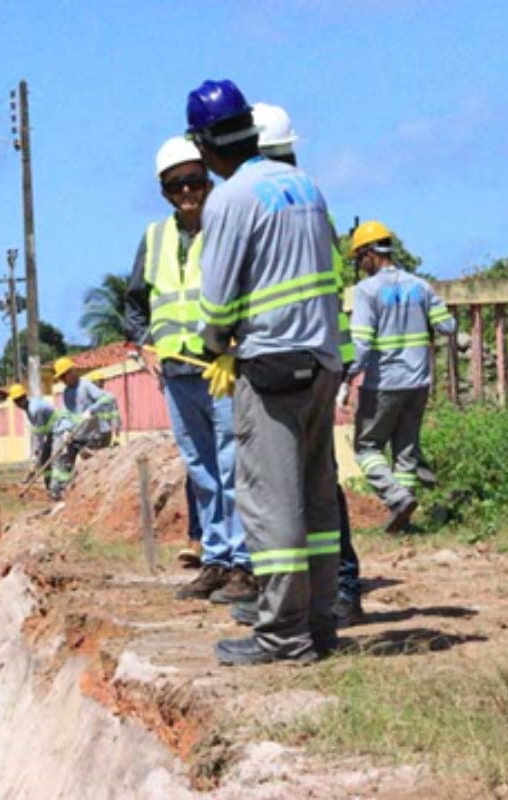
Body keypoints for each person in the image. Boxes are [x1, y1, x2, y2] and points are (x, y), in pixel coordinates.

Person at [188, 78, 344, 666]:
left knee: (271, 504)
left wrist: (215, 345)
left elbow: (218, 302)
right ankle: (321, 623)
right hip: (322, 360)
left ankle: (282, 635)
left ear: (203, 144)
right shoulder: (307, 186)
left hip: (271, 366)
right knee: (318, 502)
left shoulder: (231, 199)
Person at [124, 136, 254, 605]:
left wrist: (237, 347)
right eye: (176, 185)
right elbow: (136, 301)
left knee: (232, 464)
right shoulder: (155, 237)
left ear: (208, 181)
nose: (186, 192)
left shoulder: (226, 226)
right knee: (201, 469)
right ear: (163, 191)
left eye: (194, 182)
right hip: (177, 372)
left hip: (220, 368)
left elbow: (248, 290)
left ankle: (243, 562)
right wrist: (145, 345)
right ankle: (215, 559)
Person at [253, 100, 364, 626]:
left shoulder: (281, 210)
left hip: (299, 359)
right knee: (312, 486)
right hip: (321, 356)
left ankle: (333, 591)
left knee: (310, 488)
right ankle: (320, 594)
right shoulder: (311, 203)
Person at [343, 220, 456, 533]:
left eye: (359, 259)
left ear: (369, 254)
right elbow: (448, 326)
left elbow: (361, 343)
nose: (359, 266)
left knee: (367, 447)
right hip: (418, 383)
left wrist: (347, 375)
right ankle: (405, 519)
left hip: (383, 383)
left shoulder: (366, 291)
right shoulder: (421, 286)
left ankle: (396, 498)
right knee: (405, 451)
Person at [51, 357, 119, 500]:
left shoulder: (86, 386)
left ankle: (96, 494)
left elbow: (109, 398)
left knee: (91, 465)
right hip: (75, 435)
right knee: (64, 460)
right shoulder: (66, 392)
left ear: (72, 372)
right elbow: (66, 413)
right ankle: (59, 491)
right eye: (61, 377)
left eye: (64, 376)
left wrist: (92, 410)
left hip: (92, 437)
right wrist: (66, 429)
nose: (63, 380)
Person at [9, 383, 63, 495]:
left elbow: (40, 434)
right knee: (44, 459)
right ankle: (49, 487)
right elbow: (39, 432)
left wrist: (37, 451)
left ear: (25, 396)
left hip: (59, 429)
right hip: (51, 431)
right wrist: (37, 453)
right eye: (16, 401)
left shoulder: (35, 409)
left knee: (55, 458)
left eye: (20, 399)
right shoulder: (28, 407)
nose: (19, 403)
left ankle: (57, 489)